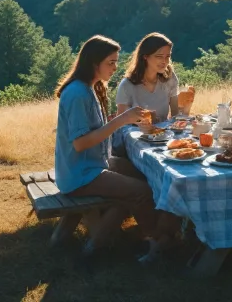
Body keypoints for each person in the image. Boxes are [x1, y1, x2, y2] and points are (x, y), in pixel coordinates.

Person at [55, 35, 179, 261]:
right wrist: (121, 120)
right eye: (111, 62)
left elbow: (93, 131)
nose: (115, 67)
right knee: (141, 191)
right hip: (80, 175)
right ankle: (157, 240)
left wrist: (116, 120)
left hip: (93, 163)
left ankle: (164, 230)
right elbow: (80, 143)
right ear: (94, 63)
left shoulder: (89, 88)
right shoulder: (77, 94)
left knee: (148, 174)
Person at [116, 32, 195, 125]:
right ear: (145, 56)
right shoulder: (127, 85)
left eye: (168, 56)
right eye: (159, 56)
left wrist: (186, 109)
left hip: (163, 133)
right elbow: (120, 123)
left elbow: (175, 115)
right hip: (134, 133)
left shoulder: (170, 78)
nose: (164, 61)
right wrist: (144, 121)